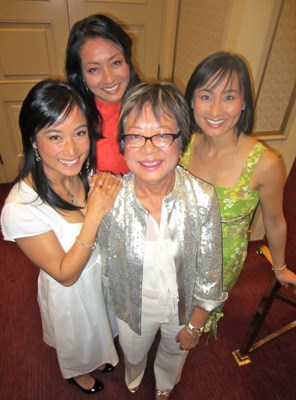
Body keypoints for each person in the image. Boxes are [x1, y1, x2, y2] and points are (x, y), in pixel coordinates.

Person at [97, 81, 228, 399]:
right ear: (123, 144)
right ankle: (134, 376)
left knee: (175, 351)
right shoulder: (109, 198)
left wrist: (196, 324)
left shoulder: (201, 197)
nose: (149, 148)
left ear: (181, 141)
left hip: (181, 308)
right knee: (134, 351)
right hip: (132, 305)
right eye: (136, 136)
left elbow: (210, 271)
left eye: (162, 135)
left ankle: (165, 385)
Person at [0, 79, 122, 394]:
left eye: (80, 133)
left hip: (99, 277)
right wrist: (94, 213)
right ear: (34, 140)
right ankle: (77, 372)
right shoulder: (21, 207)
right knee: (79, 338)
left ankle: (100, 353)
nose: (72, 149)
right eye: (55, 136)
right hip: (72, 292)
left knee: (103, 326)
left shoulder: (78, 170)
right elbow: (65, 276)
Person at [182, 51, 296, 333]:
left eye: (229, 97)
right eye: (206, 96)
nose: (216, 110)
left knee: (192, 327)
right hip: (173, 250)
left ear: (244, 103)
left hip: (218, 266)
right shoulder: (182, 143)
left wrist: (279, 268)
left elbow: (274, 221)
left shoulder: (265, 162)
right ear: (192, 99)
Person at [65, 14, 141, 175]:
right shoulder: (71, 119)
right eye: (94, 69)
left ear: (128, 60)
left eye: (116, 63)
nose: (109, 79)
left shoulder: (150, 106)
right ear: (81, 74)